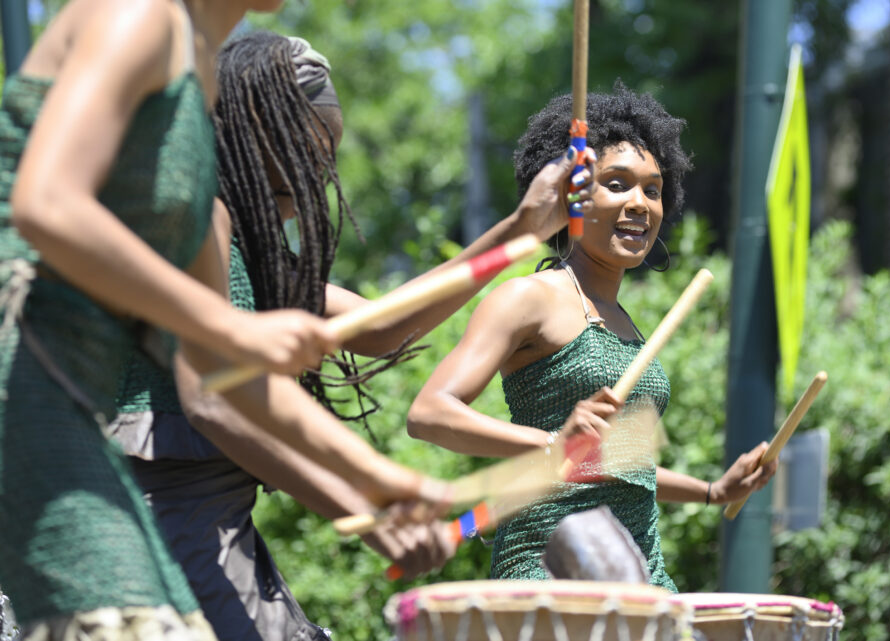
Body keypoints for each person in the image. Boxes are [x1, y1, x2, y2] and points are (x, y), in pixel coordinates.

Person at [108, 30, 597, 641]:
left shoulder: (252, 259)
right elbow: (213, 400)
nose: (317, 177)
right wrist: (368, 511)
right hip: (158, 526)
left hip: (206, 526)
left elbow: (383, 327)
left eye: (326, 157)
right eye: (301, 154)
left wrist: (522, 230)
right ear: (247, 126)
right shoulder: (196, 213)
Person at [0, 2, 451, 638]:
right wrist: (233, 327)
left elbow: (222, 378)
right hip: (36, 400)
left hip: (79, 417)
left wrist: (385, 484)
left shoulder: (197, 81)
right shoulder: (139, 17)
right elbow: (46, 204)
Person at [407, 84, 779, 591]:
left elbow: (621, 464)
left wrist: (713, 490)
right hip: (549, 577)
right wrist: (550, 443)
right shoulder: (527, 298)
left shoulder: (626, 323)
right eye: (618, 183)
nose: (640, 204)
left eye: (652, 189)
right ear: (575, 196)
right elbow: (429, 413)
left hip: (641, 577)